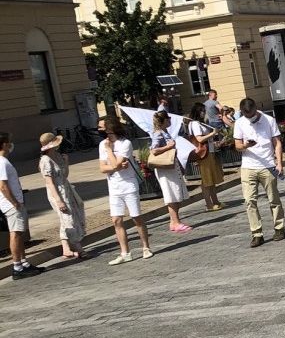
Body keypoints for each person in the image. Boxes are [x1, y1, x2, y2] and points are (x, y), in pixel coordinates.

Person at [98, 116, 152, 265]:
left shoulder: (125, 143)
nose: (99, 130)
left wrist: (109, 151)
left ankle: (146, 247)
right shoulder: (102, 144)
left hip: (128, 185)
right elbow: (102, 168)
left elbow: (116, 164)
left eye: (101, 127)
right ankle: (125, 252)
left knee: (136, 217)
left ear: (110, 128)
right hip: (114, 187)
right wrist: (114, 166)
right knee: (116, 220)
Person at [233, 99, 285, 247]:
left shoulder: (269, 120)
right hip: (248, 167)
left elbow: (277, 143)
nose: (249, 117)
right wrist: (245, 145)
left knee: (273, 199)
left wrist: (279, 163)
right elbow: (237, 146)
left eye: (251, 114)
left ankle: (279, 228)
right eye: (246, 115)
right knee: (249, 201)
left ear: (256, 108)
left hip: (267, 165)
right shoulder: (240, 123)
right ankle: (256, 233)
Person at [2, 132, 45, 279]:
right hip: (12, 205)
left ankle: (24, 263)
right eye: (9, 142)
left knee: (19, 234)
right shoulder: (1, 162)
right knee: (15, 234)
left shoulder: (4, 161)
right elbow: (2, 186)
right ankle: (17, 267)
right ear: (4, 144)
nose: (11, 145)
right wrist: (14, 203)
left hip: (15, 203)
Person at [39, 132, 86, 259]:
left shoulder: (57, 156)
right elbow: (49, 183)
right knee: (68, 218)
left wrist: (66, 162)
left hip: (67, 189)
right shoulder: (45, 160)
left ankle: (66, 248)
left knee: (67, 218)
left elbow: (64, 176)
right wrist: (58, 200)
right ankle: (78, 247)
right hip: (57, 193)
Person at [149, 111, 192, 232]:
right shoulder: (158, 133)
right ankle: (176, 222)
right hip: (165, 169)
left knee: (176, 193)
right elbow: (154, 150)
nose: (170, 120)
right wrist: (168, 146)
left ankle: (174, 221)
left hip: (172, 166)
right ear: (163, 121)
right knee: (171, 194)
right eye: (168, 119)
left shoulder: (165, 132)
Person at [189, 103, 224, 211]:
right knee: (206, 180)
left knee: (211, 179)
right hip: (204, 154)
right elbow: (199, 139)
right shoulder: (195, 124)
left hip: (209, 151)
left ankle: (215, 201)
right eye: (202, 111)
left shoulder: (201, 123)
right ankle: (209, 204)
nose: (204, 113)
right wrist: (213, 134)